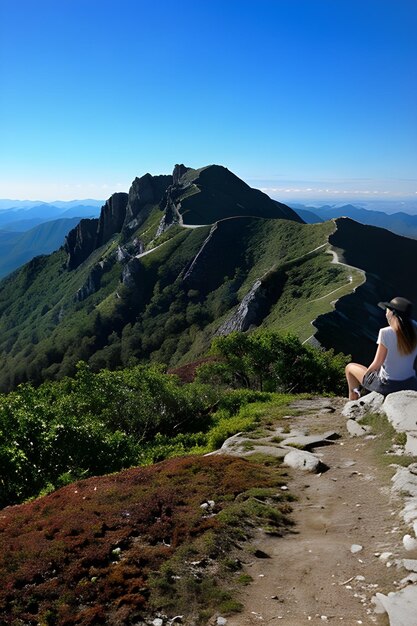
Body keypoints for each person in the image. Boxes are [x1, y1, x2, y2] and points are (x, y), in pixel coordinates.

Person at [345, 296, 417, 400]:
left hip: (389, 386)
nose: (386, 312)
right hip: (412, 383)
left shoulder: (386, 332)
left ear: (392, 313)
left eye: (387, 310)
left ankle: (353, 401)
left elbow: (377, 364)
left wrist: (366, 380)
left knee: (350, 367)